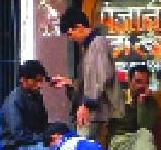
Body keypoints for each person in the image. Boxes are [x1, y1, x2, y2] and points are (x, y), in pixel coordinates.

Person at [50, 8, 124, 142]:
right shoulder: (90, 46)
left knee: (84, 147)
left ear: (79, 27)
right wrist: (70, 82)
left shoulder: (97, 43)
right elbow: (92, 79)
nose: (71, 38)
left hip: (96, 112)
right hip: (94, 112)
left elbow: (100, 77)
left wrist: (86, 105)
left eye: (70, 34)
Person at [0, 59, 49, 150]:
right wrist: (44, 137)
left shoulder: (36, 97)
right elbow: (18, 134)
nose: (40, 85)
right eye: (36, 81)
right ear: (23, 80)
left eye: (41, 81)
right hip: (16, 147)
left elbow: (43, 125)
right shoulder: (15, 100)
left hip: (33, 143)